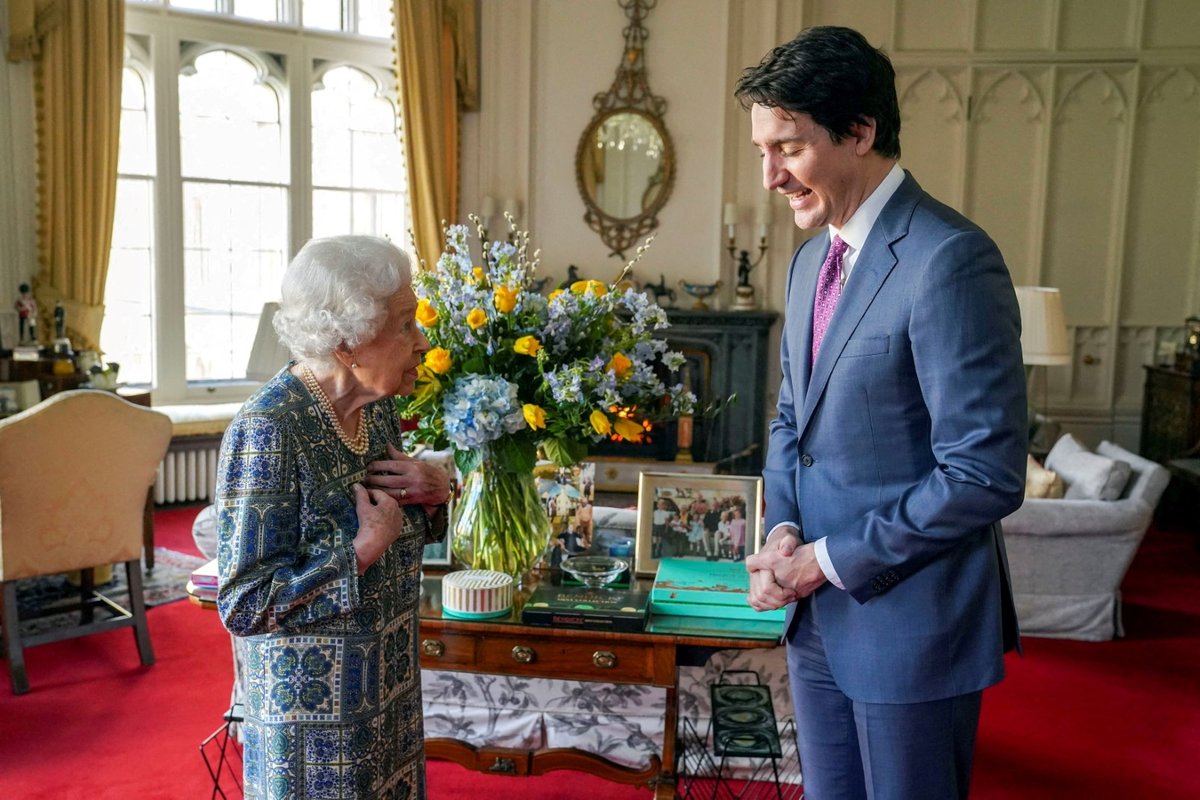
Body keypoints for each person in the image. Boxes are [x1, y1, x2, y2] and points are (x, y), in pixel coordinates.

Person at [737, 26, 1026, 800]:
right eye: (763, 150)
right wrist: (783, 532)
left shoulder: (950, 259)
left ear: (860, 130)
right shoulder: (808, 262)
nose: (769, 176)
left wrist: (823, 562)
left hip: (913, 628)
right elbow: (791, 422)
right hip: (816, 623)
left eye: (788, 148)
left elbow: (983, 473)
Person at [215, 235, 452, 800]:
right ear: (348, 342)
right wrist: (361, 550)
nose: (421, 342)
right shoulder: (270, 429)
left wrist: (437, 491)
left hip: (387, 697)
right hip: (314, 734)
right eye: (403, 324)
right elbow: (243, 604)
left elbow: (402, 521)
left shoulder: (377, 406)